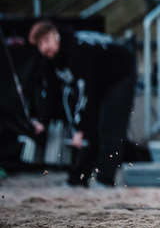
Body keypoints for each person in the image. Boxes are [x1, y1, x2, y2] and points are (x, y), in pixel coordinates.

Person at [28, 21, 137, 187]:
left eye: (46, 41)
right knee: (89, 126)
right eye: (39, 44)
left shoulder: (77, 51)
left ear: (55, 35)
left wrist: (81, 130)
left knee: (109, 125)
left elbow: (84, 93)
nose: (44, 47)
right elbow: (51, 91)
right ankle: (78, 179)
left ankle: (105, 179)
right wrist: (43, 121)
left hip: (120, 75)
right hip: (97, 81)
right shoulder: (49, 59)